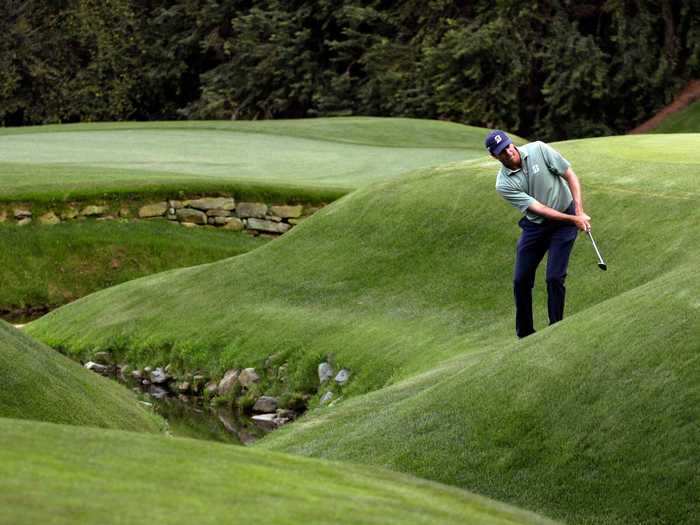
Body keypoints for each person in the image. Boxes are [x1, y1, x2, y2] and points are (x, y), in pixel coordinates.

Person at [485, 130, 591, 338]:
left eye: (508, 146)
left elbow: (569, 174)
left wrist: (578, 210)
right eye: (502, 152)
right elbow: (539, 209)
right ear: (494, 157)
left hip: (564, 219)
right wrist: (574, 220)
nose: (509, 152)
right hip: (536, 226)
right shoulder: (503, 184)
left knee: (554, 277)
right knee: (520, 279)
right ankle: (525, 333)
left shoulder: (539, 149)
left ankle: (555, 329)